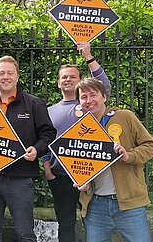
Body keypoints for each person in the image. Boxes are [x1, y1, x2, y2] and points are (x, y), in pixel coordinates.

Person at [0, 55, 56, 242]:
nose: (5, 77)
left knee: (24, 233)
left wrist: (36, 150)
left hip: (20, 180)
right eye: (1, 73)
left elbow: (48, 134)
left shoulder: (34, 103)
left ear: (17, 76)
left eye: (9, 73)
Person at [42, 41, 111, 242]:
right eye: (64, 77)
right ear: (58, 82)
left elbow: (104, 85)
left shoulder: (91, 104)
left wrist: (89, 57)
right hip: (60, 176)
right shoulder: (49, 111)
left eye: (73, 77)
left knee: (92, 220)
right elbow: (46, 139)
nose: (68, 80)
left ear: (80, 81)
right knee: (66, 222)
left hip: (91, 173)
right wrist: (47, 168)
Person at [74, 78, 153, 242]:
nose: (89, 100)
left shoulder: (124, 116)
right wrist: (83, 182)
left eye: (93, 95)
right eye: (84, 97)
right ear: (79, 101)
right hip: (95, 205)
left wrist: (129, 156)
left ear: (104, 96)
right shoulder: (79, 129)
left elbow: (151, 145)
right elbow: (80, 165)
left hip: (129, 204)